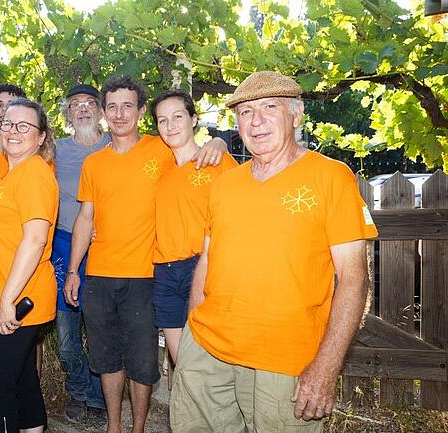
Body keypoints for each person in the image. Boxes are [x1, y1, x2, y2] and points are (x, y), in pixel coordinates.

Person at [169, 71, 378, 433]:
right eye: (246, 112)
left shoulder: (332, 178)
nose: (257, 121)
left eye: (269, 107)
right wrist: (191, 332)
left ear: (295, 116)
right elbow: (207, 258)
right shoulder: (226, 184)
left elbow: (354, 279)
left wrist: (327, 367)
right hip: (207, 351)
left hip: (285, 361)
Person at [63, 75, 227, 433]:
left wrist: (220, 141)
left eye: (127, 106)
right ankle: (114, 426)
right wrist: (74, 270)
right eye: (112, 107)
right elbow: (84, 217)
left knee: (142, 360)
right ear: (104, 113)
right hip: (100, 274)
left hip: (148, 273)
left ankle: (138, 427)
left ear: (139, 112)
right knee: (105, 357)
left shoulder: (161, 148)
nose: (119, 113)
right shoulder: (95, 163)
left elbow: (195, 147)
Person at [0, 98, 58, 433]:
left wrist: (8, 298)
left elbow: (35, 240)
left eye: (24, 126)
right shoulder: (10, 174)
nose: (13, 131)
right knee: (22, 378)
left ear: (41, 138)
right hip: (4, 294)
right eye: (8, 123)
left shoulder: (34, 174)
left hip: (16, 299)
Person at [150, 90, 238, 365]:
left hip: (202, 268)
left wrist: (219, 142)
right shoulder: (160, 171)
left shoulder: (217, 162)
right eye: (163, 120)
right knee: (183, 365)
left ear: (194, 119)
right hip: (164, 272)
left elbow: (239, 217)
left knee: (209, 362)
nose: (170, 126)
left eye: (178, 117)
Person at [52, 84, 107, 424]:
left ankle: (101, 398)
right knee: (66, 333)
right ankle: (78, 390)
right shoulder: (54, 150)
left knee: (100, 329)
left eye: (90, 103)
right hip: (62, 247)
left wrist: (218, 142)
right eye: (76, 105)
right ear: (68, 114)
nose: (83, 109)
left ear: (101, 111)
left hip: (106, 248)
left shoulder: (117, 145)